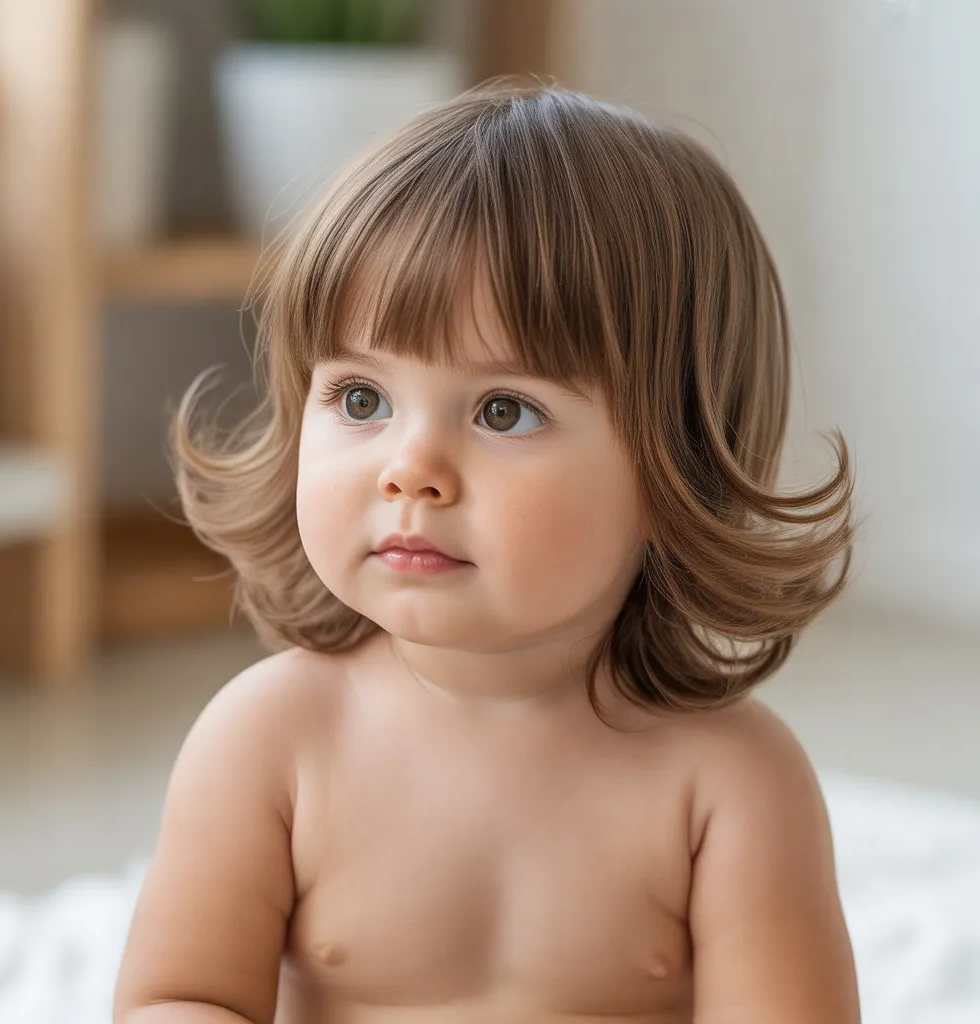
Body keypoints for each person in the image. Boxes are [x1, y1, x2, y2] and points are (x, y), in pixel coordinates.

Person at [113, 79, 861, 1024]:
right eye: (360, 399)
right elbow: (176, 999)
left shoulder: (730, 783)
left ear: (681, 463)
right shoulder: (271, 740)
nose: (410, 470)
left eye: (504, 411)